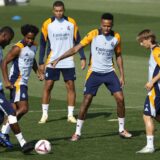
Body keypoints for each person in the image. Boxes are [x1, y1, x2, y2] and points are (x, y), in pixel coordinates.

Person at [51, 13, 132, 141]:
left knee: (120, 99)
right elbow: (76, 48)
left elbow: (119, 56)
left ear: (112, 25)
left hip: (109, 72)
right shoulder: (93, 34)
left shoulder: (116, 37)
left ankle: (122, 129)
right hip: (94, 73)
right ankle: (77, 132)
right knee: (86, 101)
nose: (106, 28)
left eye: (109, 26)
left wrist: (122, 75)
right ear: (101, 24)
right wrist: (59, 59)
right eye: (104, 25)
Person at [38, 1, 86, 124]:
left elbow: (78, 41)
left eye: (61, 11)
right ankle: (44, 115)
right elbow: (43, 44)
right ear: (53, 11)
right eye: (56, 11)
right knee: (48, 85)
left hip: (68, 61)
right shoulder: (47, 24)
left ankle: (70, 115)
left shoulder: (71, 22)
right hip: (52, 60)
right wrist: (41, 62)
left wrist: (82, 57)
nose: (59, 13)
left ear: (64, 10)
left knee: (70, 86)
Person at [0, 24, 43, 147]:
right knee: (23, 108)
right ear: (24, 36)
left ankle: (4, 133)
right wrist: (7, 81)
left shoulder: (34, 46)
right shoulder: (17, 48)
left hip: (23, 82)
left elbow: (32, 58)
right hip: (17, 82)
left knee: (12, 111)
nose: (30, 40)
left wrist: (37, 72)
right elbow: (4, 63)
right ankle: (4, 133)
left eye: (32, 38)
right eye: (28, 38)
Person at [136, 29, 160, 153]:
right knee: (156, 114)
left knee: (147, 115)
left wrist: (152, 82)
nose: (141, 44)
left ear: (149, 39)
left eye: (142, 41)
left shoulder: (156, 51)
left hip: (156, 90)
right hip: (155, 89)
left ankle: (150, 146)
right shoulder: (154, 51)